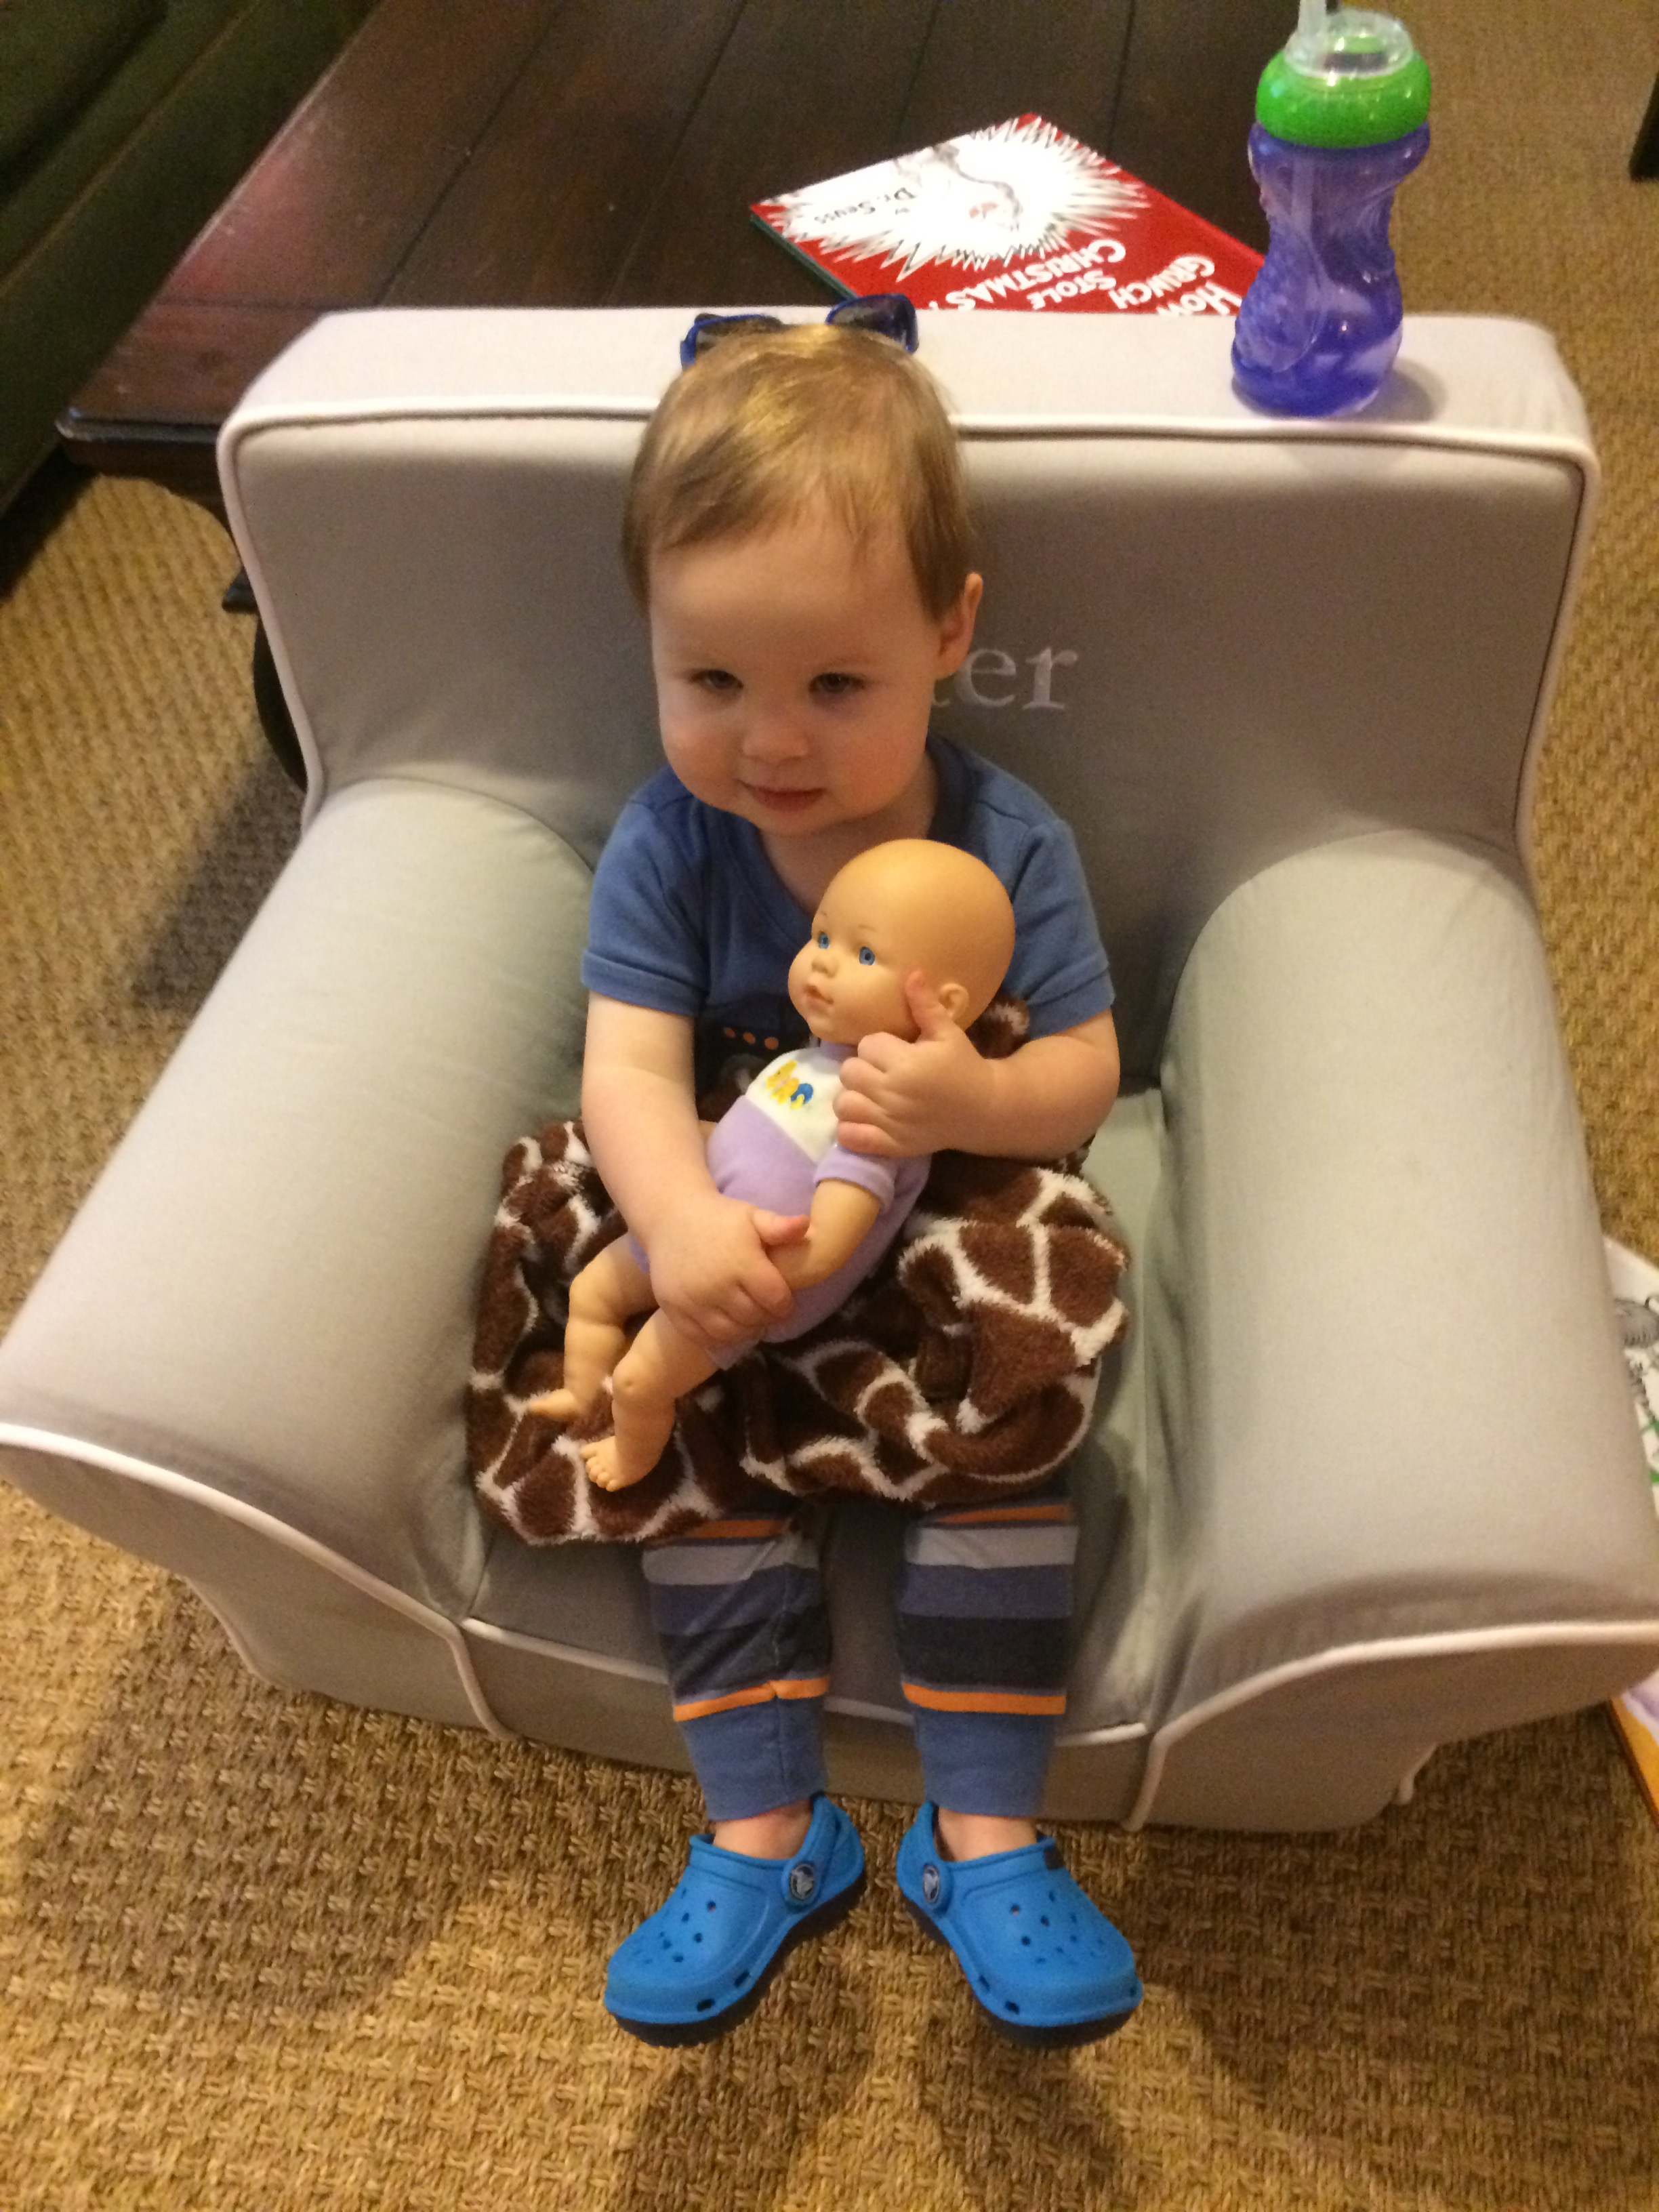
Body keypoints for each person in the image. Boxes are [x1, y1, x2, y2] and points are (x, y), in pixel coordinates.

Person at [578, 308, 1143, 2049]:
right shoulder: (671, 843)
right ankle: (767, 1826)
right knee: (688, 1446)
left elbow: (1084, 1073)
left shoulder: (1003, 840)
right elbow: (627, 1073)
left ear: (948, 634)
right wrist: (678, 1222)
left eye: (835, 685)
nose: (771, 742)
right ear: (651, 642)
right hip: (743, 1188)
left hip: (942, 1203)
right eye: (711, 683)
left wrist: (976, 1093)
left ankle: (983, 1832)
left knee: (1011, 1423)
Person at [534, 839, 1015, 1492]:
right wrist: (672, 1159)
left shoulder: (880, 1113)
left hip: (744, 1286)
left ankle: (632, 1454)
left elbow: (829, 1243)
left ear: (946, 1005)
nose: (822, 963)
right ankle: (580, 1393)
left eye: (863, 955)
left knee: (643, 1380)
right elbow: (748, 1136)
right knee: (591, 1295)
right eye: (822, 937)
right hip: (688, 1225)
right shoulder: (808, 1061)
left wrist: (736, 1277)